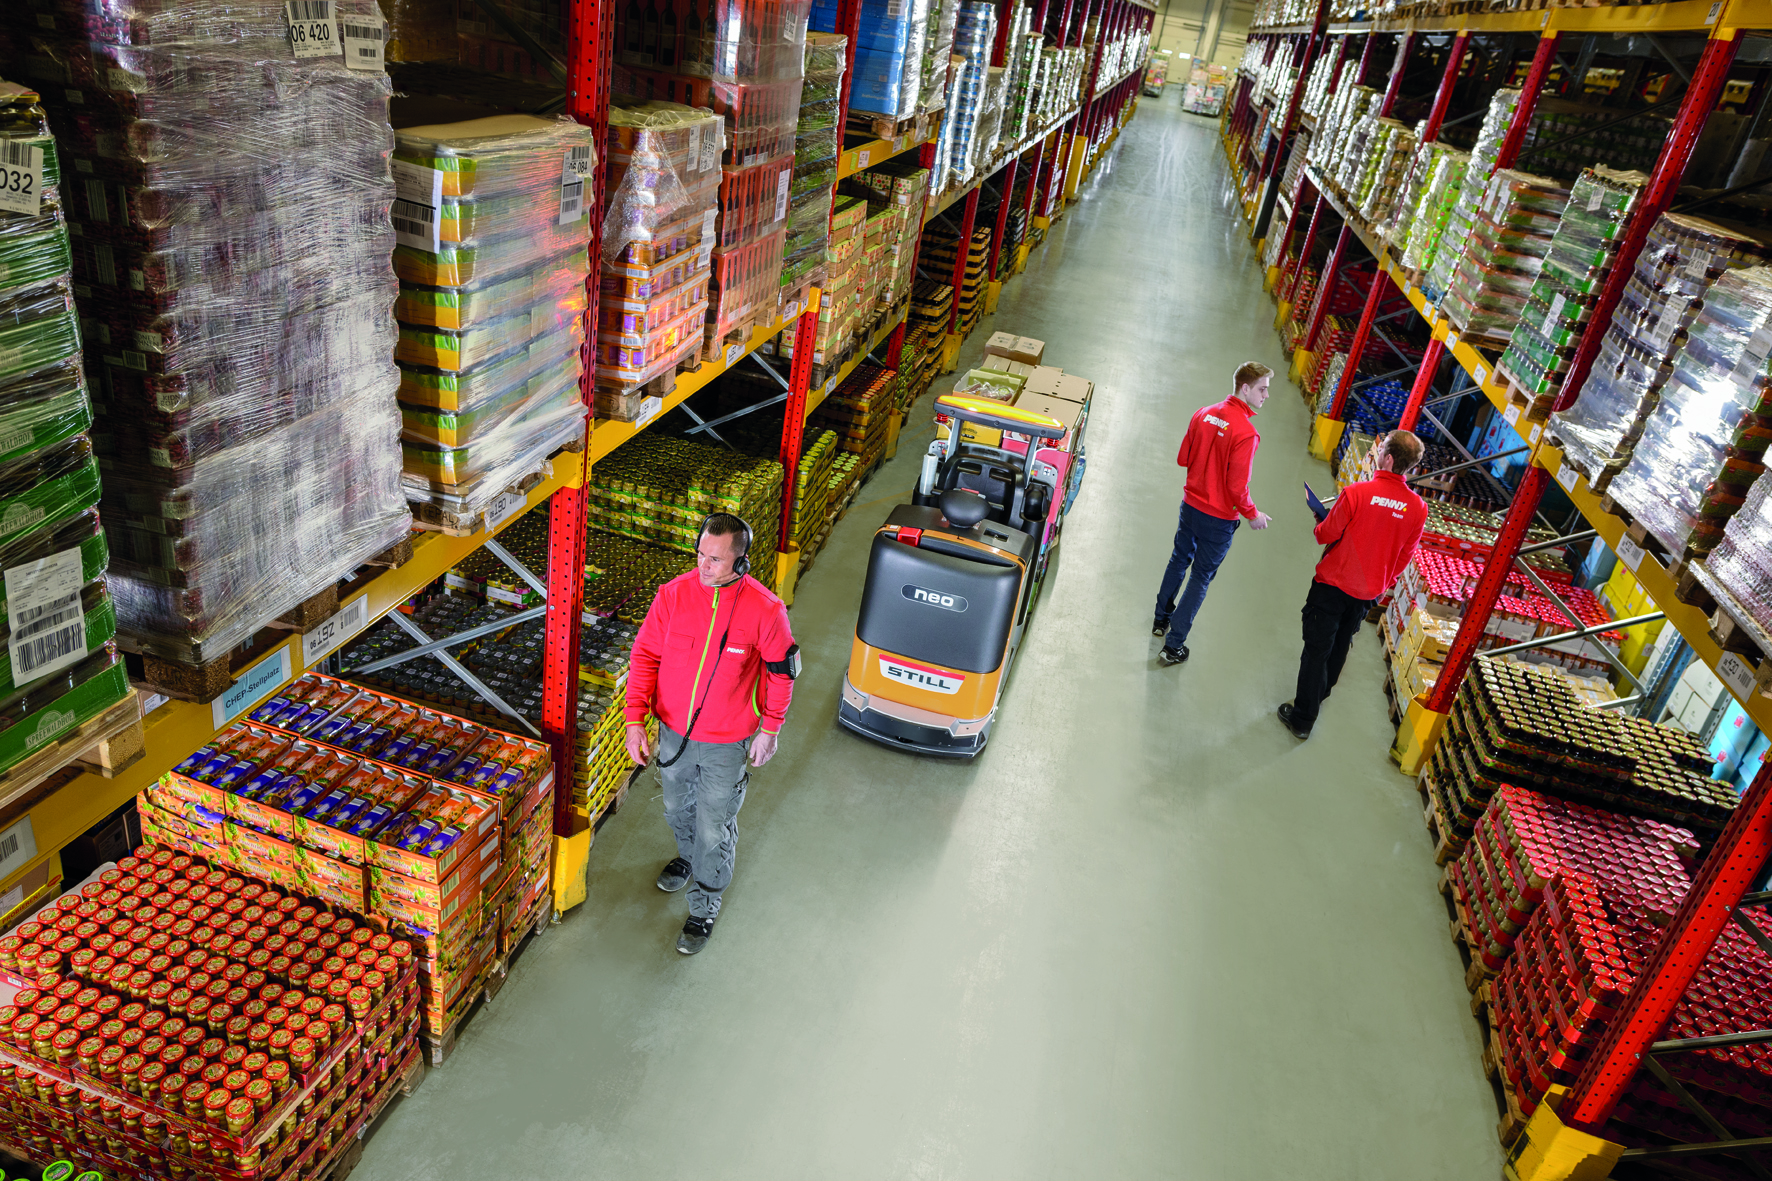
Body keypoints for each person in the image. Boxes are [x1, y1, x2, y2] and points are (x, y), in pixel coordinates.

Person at [625, 513, 800, 954]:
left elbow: (782, 673)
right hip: (674, 733)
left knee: (714, 826)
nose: (703, 566)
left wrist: (770, 728)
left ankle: (705, 903)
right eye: (701, 554)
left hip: (727, 741)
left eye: (716, 560)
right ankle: (688, 858)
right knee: (675, 807)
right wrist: (634, 720)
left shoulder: (765, 610)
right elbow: (644, 656)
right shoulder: (673, 595)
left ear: (741, 562)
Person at [1279, 429, 1428, 741]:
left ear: (1388, 459)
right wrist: (1382, 582)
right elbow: (1404, 556)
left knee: (1317, 649)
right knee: (1340, 645)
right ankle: (1318, 695)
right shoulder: (1417, 508)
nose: (1378, 454)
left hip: (1333, 585)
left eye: (1381, 450)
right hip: (1367, 593)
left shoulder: (1356, 493)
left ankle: (1303, 719)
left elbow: (1325, 534)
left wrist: (1321, 520)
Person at [1152, 361, 1274, 666]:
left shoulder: (1202, 413)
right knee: (1201, 577)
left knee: (1178, 559)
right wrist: (1253, 515)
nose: (1266, 395)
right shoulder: (1247, 433)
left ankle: (1160, 619)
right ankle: (1173, 646)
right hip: (1218, 519)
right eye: (1262, 389)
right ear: (1245, 388)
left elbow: (1183, 458)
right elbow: (1237, 487)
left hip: (1190, 506)